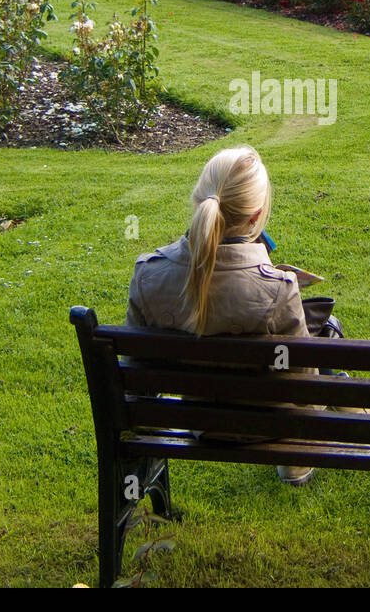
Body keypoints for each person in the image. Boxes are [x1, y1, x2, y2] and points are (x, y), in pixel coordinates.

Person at [126, 145, 334, 486]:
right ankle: (295, 462)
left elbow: (138, 375)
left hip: (196, 420)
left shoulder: (148, 275)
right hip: (268, 425)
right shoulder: (279, 288)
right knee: (328, 339)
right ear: (255, 217)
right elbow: (303, 388)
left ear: (198, 199)